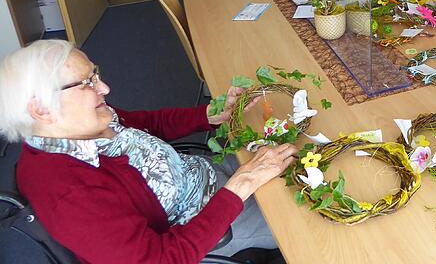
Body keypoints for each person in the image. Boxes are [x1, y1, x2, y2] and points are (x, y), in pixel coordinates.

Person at [0, 40, 298, 263]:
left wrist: (208, 114)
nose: (104, 88)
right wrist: (243, 184)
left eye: (95, 74)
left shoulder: (83, 120)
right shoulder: (68, 194)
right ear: (41, 108)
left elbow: (147, 124)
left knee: (300, 150)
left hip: (209, 177)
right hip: (211, 226)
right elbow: (160, 259)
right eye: (86, 83)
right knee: (312, 225)